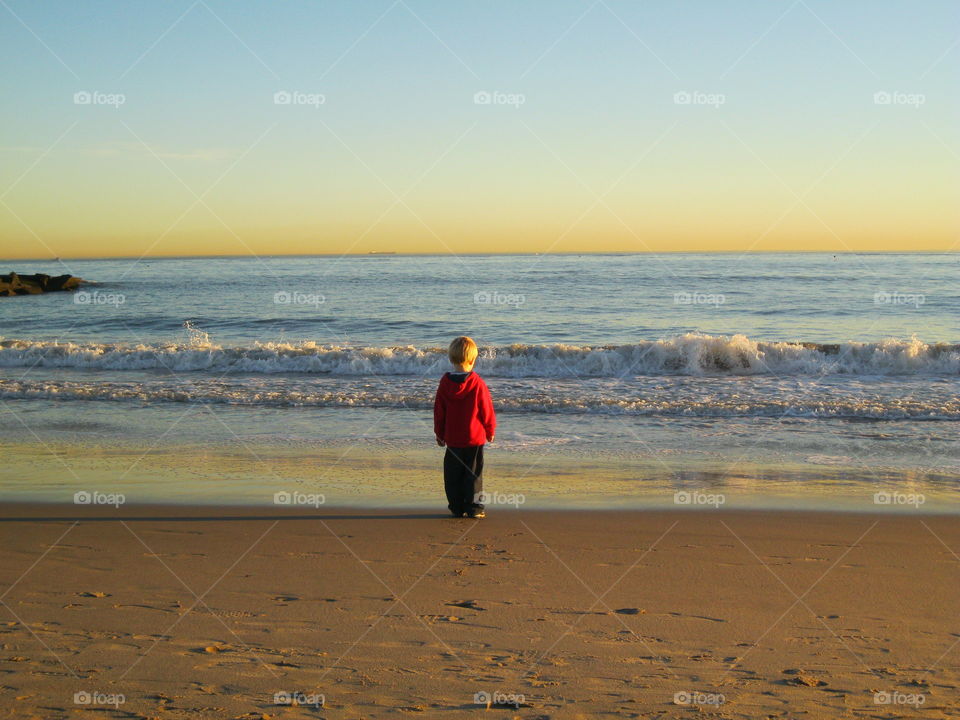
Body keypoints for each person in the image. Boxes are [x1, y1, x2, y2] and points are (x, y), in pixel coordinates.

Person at [433, 336, 496, 518]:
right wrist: (490, 430)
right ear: (472, 359)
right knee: (473, 474)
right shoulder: (477, 383)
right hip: (474, 438)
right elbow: (487, 410)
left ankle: (456, 506)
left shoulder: (445, 383)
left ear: (451, 359)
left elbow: (439, 411)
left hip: (453, 438)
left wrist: (439, 433)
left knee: (453, 475)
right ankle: (474, 508)